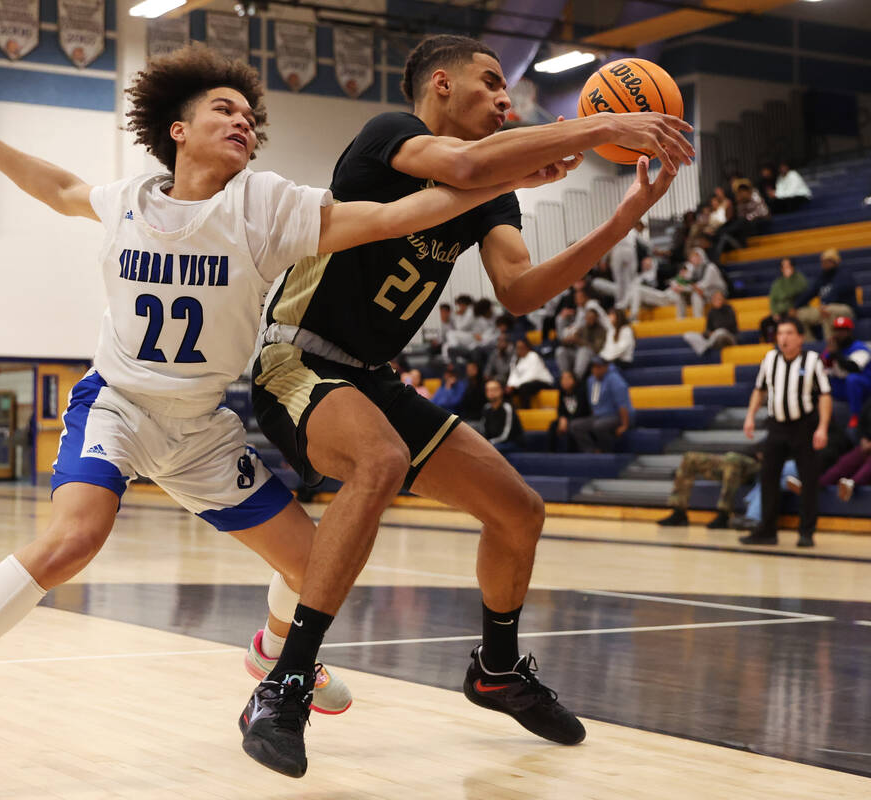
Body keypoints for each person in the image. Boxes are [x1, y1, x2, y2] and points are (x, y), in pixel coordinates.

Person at [0, 45, 539, 762]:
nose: (244, 122)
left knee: (320, 571)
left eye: (250, 115)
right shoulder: (128, 201)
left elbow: (393, 218)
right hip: (117, 407)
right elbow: (59, 187)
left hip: (201, 431)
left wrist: (509, 171)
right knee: (74, 539)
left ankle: (274, 649)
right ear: (177, 129)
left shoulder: (266, 205)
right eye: (224, 109)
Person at [244, 32, 690, 776]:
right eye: (493, 83)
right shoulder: (393, 135)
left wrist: (627, 215)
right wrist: (602, 123)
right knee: (380, 460)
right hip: (297, 356)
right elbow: (460, 168)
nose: (508, 100)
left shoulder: (495, 191)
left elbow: (519, 290)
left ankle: (498, 669)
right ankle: (285, 682)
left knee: (519, 511)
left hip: (374, 377)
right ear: (441, 85)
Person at [741, 318, 831, 547]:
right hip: (776, 426)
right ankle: (767, 531)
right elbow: (759, 390)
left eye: (790, 333)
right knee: (768, 477)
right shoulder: (769, 359)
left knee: (808, 480)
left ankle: (806, 532)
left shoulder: (812, 361)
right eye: (780, 333)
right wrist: (750, 416)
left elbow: (825, 395)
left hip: (804, 426)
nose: (784, 338)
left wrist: (822, 427)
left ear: (800, 338)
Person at [656, 451, 760, 529]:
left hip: (754, 467)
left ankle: (724, 514)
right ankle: (679, 512)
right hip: (733, 460)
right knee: (689, 458)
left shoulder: (774, 432)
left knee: (732, 459)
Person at [570, 357, 633, 453]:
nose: (595, 370)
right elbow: (593, 402)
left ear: (606, 367)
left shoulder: (615, 380)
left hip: (616, 415)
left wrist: (625, 425)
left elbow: (623, 404)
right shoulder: (591, 381)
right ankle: (592, 452)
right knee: (576, 425)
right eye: (593, 367)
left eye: (598, 367)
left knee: (599, 426)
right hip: (598, 416)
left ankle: (608, 452)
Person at [795, 249, 856, 342]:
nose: (825, 264)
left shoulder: (845, 274)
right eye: (823, 262)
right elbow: (809, 293)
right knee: (799, 314)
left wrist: (826, 304)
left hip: (845, 308)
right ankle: (811, 345)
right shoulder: (821, 277)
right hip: (824, 308)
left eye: (828, 261)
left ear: (836, 262)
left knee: (828, 310)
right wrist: (795, 307)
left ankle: (830, 345)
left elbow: (838, 291)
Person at [822, 315, 871, 426]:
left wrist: (836, 354)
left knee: (852, 379)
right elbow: (823, 367)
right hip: (842, 387)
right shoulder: (832, 348)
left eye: (843, 330)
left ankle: (855, 416)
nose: (839, 334)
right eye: (837, 330)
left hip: (863, 388)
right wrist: (828, 355)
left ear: (849, 332)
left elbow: (853, 368)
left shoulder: (860, 347)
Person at [820, 395, 871, 501]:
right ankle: (817, 484)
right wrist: (863, 438)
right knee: (846, 461)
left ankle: (851, 484)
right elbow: (862, 421)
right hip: (866, 445)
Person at [759, 258, 807, 342]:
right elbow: (773, 299)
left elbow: (796, 292)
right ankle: (769, 344)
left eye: (788, 266)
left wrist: (788, 279)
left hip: (793, 310)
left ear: (793, 267)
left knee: (790, 322)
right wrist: (774, 313)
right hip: (780, 312)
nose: (786, 269)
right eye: (784, 266)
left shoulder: (799, 279)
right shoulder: (777, 282)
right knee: (764, 323)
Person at [670, 247, 726, 319]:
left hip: (716, 292)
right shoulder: (693, 269)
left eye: (696, 256)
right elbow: (684, 282)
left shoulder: (710, 267)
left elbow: (703, 285)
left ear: (702, 256)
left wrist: (684, 288)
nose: (693, 259)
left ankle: (698, 319)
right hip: (703, 292)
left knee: (696, 295)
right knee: (679, 294)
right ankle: (681, 319)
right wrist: (680, 282)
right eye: (692, 257)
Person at [556, 305, 608, 378]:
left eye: (591, 318)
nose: (589, 319)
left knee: (583, 351)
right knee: (560, 351)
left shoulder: (601, 330)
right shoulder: (583, 328)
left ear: (596, 318)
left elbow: (597, 348)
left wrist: (579, 341)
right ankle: (565, 376)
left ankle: (576, 378)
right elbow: (571, 341)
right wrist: (568, 340)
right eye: (588, 317)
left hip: (593, 356)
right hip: (577, 354)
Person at [683, 291, 737, 356]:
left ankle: (707, 346)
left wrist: (714, 332)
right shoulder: (711, 312)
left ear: (723, 299)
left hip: (728, 336)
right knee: (688, 335)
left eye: (719, 298)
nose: (717, 300)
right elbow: (707, 329)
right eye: (715, 299)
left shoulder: (729, 309)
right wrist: (708, 333)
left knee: (720, 332)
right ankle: (706, 348)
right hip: (714, 337)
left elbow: (730, 326)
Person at [547, 370, 589, 452]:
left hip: (581, 418)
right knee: (553, 425)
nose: (564, 381)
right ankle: (550, 453)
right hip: (567, 419)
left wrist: (567, 420)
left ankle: (572, 454)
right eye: (562, 379)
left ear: (574, 380)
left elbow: (582, 411)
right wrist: (562, 418)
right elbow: (560, 409)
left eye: (567, 379)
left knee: (572, 426)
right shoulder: (562, 392)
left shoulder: (581, 391)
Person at [506, 336, 554, 408]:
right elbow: (513, 375)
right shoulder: (516, 359)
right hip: (525, 384)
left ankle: (526, 410)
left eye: (522, 347)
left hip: (543, 382)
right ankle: (513, 412)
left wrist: (515, 385)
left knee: (524, 387)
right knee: (507, 391)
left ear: (527, 347)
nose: (519, 350)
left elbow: (532, 375)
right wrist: (510, 385)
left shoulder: (533, 356)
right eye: (518, 348)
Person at [481, 378, 524, 450]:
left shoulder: (507, 408)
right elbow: (484, 429)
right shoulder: (486, 408)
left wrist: (490, 442)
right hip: (493, 442)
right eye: (488, 390)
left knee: (494, 449)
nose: (491, 392)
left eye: (494, 389)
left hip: (511, 442)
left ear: (501, 390)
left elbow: (506, 435)